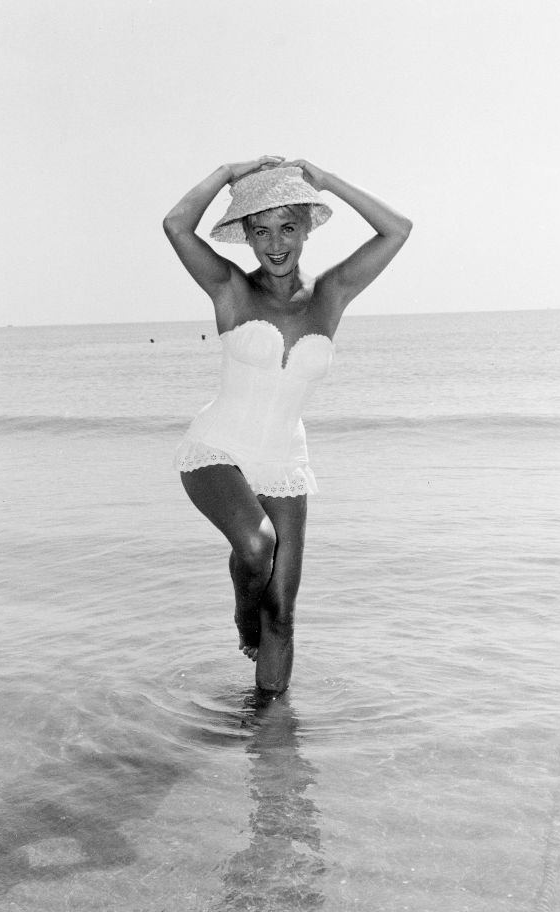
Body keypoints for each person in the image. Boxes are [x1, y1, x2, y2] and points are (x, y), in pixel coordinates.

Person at [163, 156, 411, 697]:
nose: (276, 244)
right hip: (216, 449)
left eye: (288, 227)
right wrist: (228, 172)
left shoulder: (331, 294)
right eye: (261, 231)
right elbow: (176, 225)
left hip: (286, 462)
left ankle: (272, 739)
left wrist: (326, 181)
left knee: (283, 614)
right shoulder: (231, 289)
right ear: (246, 236)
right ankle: (239, 609)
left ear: (305, 228)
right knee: (256, 547)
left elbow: (398, 229)